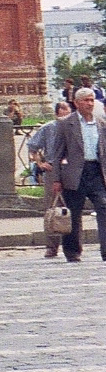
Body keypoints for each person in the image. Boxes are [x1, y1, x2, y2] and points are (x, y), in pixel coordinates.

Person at [49, 87, 106, 264]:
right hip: (75, 174)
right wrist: (56, 178)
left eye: (92, 100)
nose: (90, 104)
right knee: (73, 214)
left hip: (96, 172)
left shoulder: (100, 123)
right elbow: (57, 154)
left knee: (104, 209)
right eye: (86, 100)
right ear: (76, 103)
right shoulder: (66, 124)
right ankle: (72, 252)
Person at [30, 101, 72, 258]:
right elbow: (33, 146)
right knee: (52, 209)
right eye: (62, 112)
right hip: (53, 170)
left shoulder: (75, 128)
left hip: (72, 170)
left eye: (67, 112)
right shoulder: (49, 128)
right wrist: (40, 163)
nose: (65, 115)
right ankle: (51, 246)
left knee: (72, 207)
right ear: (57, 114)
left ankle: (72, 245)